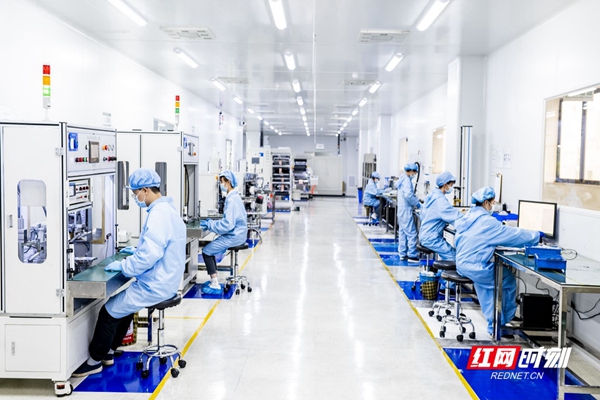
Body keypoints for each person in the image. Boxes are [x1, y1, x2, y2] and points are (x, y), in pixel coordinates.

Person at [72, 168, 186, 377]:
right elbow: (159, 246)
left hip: (155, 286)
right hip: (166, 280)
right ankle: (109, 351)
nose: (136, 198)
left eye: (135, 194)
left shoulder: (158, 214)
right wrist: (136, 250)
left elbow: (148, 256)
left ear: (145, 190)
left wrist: (124, 266)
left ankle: (94, 360)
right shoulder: (168, 209)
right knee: (122, 308)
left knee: (108, 311)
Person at [455, 186, 541, 337]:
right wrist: (536, 236)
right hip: (475, 267)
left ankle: (494, 321)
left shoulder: (469, 216)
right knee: (507, 279)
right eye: (492, 203)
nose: (493, 206)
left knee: (489, 282)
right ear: (486, 203)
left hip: (463, 263)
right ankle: (500, 322)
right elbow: (512, 235)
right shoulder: (487, 222)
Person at [199, 171, 248, 295]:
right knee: (211, 248)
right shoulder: (235, 197)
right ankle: (214, 279)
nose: (221, 185)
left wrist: (210, 224)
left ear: (228, 182)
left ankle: (215, 284)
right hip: (239, 234)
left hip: (234, 236)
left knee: (206, 251)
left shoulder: (231, 200)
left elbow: (227, 225)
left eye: (222, 182)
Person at [418, 171, 463, 260]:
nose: (451, 188)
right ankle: (444, 269)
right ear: (445, 184)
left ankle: (440, 268)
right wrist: (470, 220)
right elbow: (454, 215)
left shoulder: (433, 195)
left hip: (426, 234)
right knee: (453, 256)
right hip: (431, 238)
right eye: (451, 185)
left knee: (447, 253)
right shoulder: (440, 201)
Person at [396, 163, 421, 263]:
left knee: (402, 232)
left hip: (401, 210)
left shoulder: (403, 178)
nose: (414, 174)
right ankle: (412, 255)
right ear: (410, 171)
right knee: (412, 233)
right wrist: (417, 204)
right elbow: (408, 195)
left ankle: (402, 253)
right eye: (414, 172)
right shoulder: (406, 180)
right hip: (406, 210)